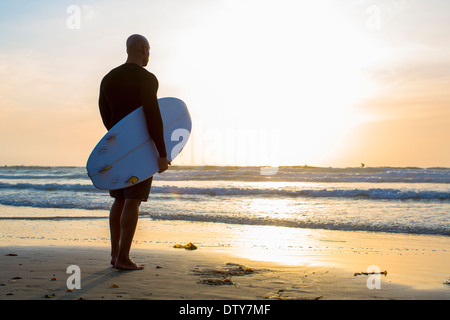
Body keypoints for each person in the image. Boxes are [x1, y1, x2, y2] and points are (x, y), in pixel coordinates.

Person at [98, 34, 170, 270]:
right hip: (140, 149)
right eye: (148, 50)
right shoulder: (147, 78)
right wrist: (161, 152)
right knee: (133, 200)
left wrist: (119, 140)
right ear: (141, 49)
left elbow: (105, 115)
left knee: (119, 198)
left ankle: (114, 254)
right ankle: (123, 258)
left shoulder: (108, 79)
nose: (149, 55)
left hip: (117, 149)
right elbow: (152, 114)